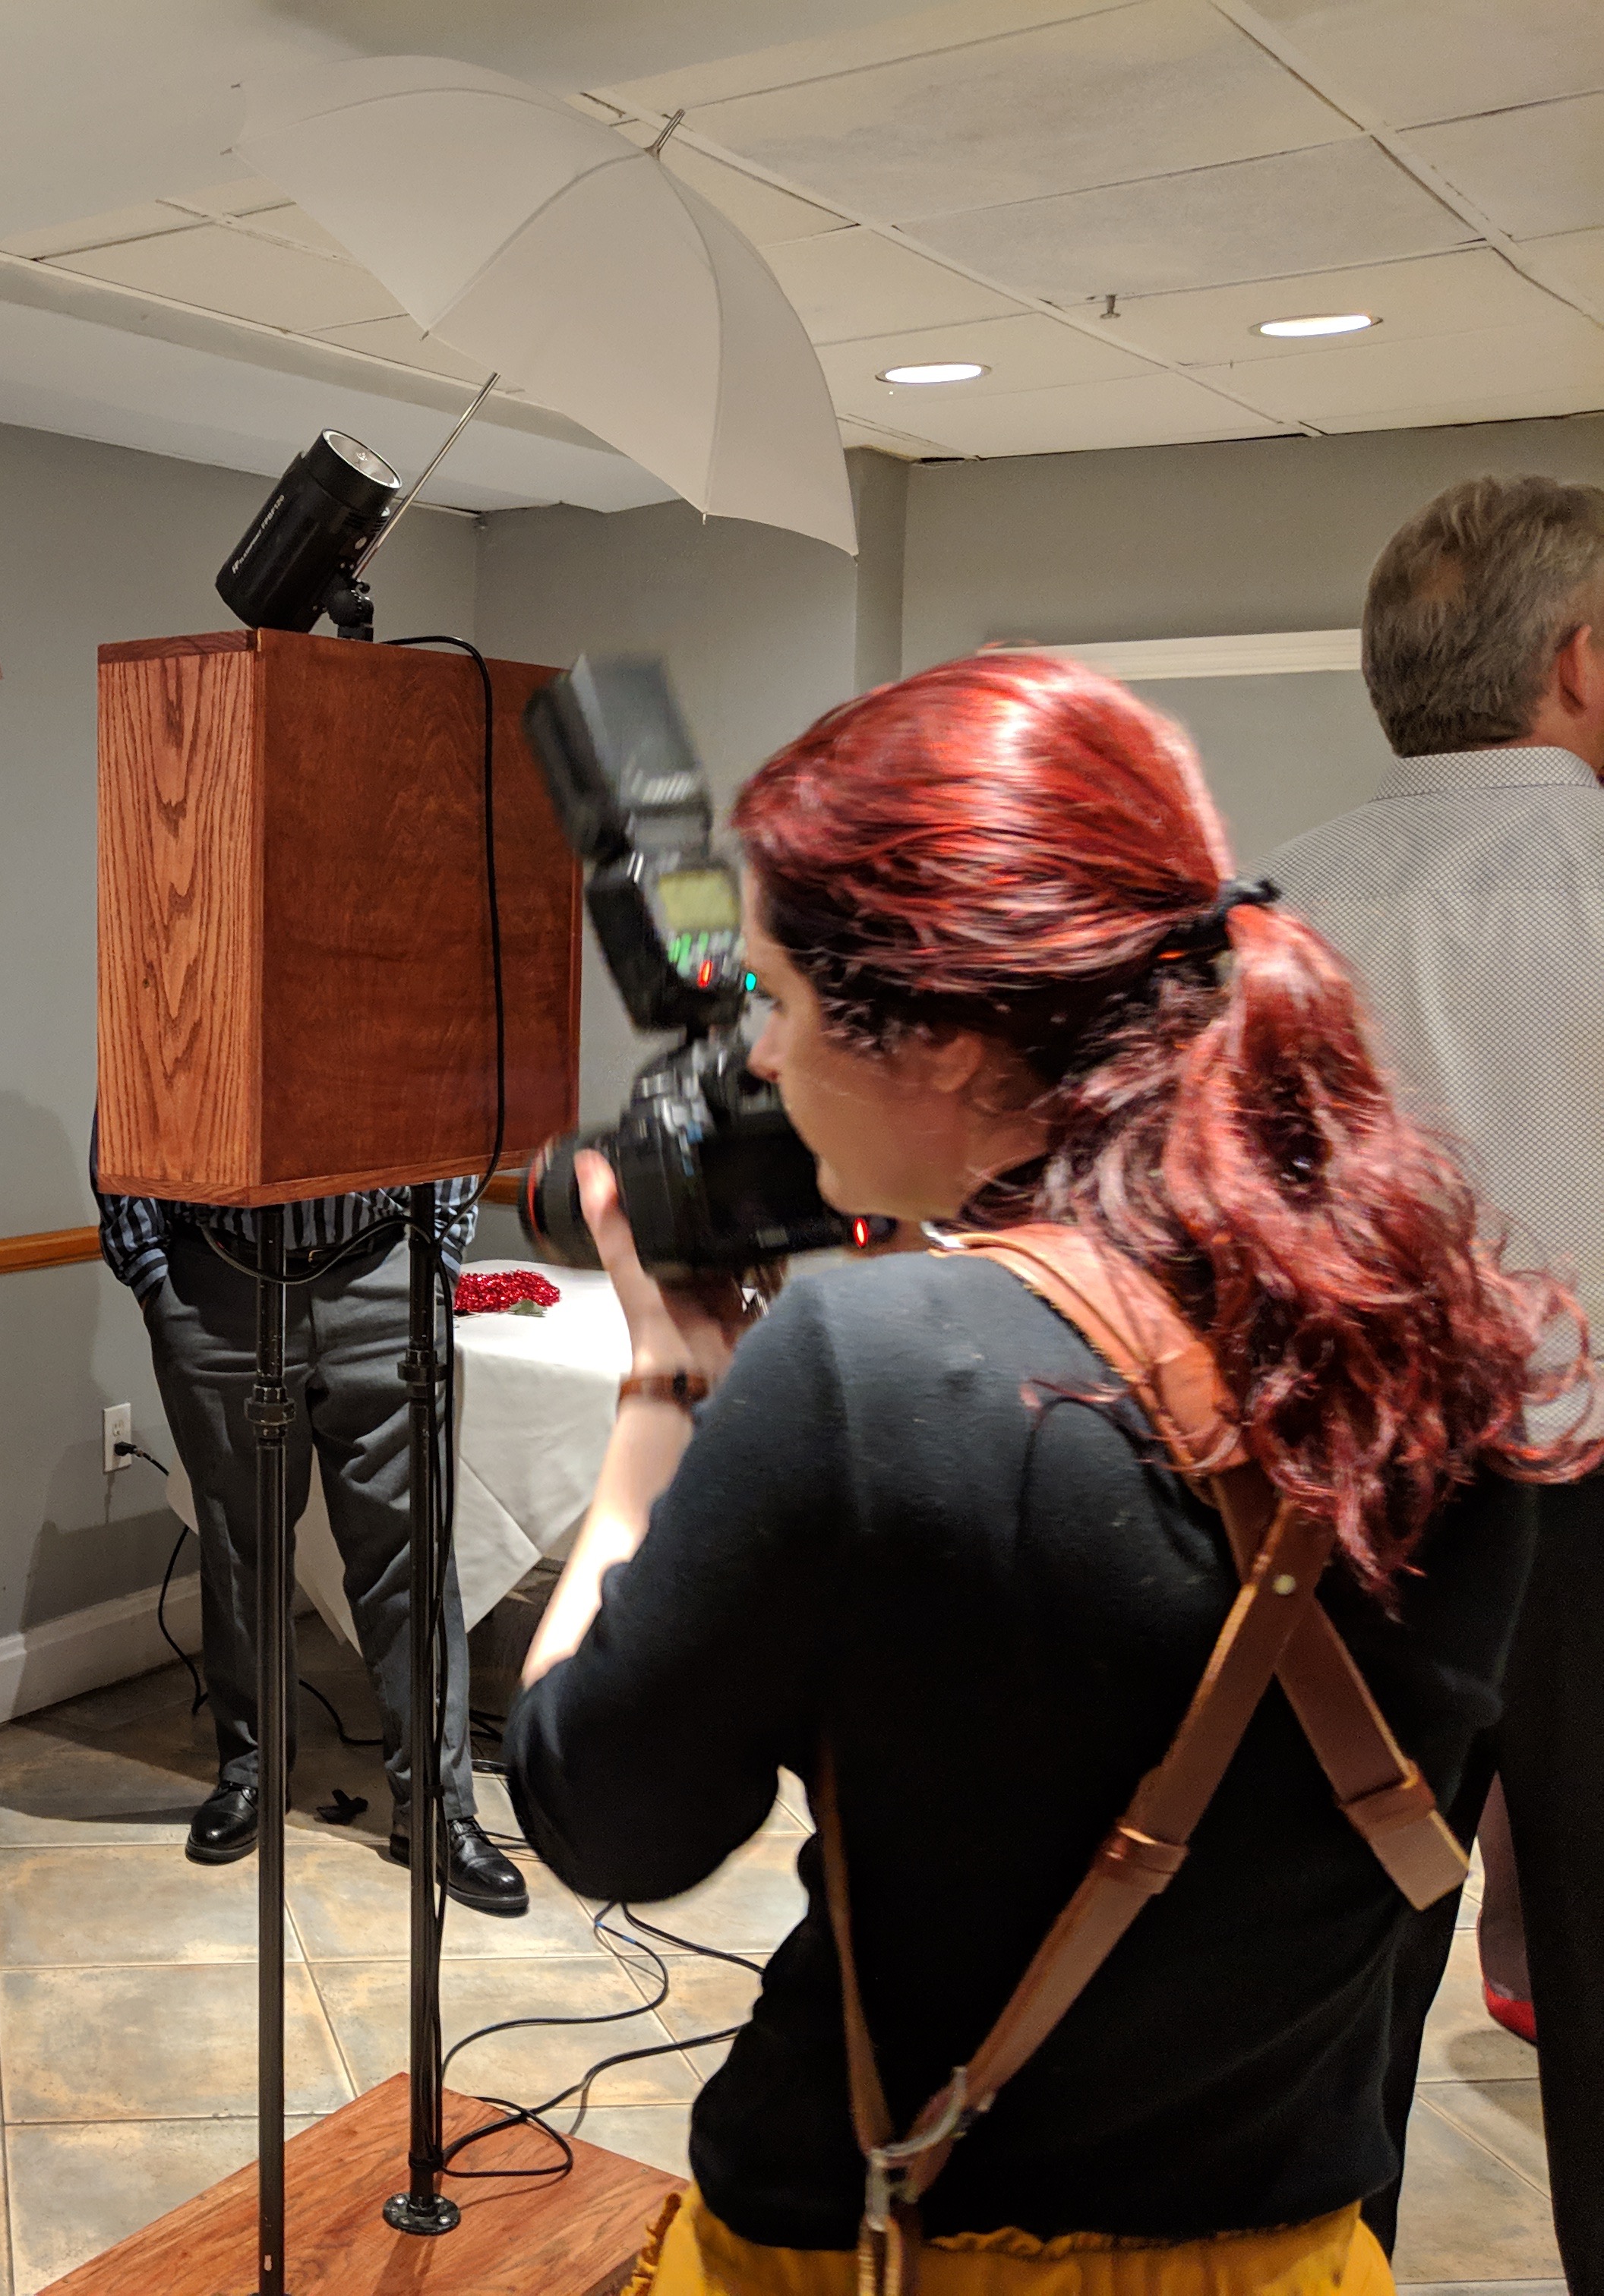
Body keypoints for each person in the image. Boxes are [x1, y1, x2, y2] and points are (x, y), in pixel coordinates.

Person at [505, 653, 1589, 2284]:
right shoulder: (1453, 1342)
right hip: (1292, 2261)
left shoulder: (869, 1372)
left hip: (889, 2256)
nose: (766, 1067)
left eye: (784, 1005)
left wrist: (669, 1389)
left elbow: (605, 1814)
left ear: (939, 1043)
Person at [1259, 473, 1604, 2280]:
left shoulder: (1262, 910)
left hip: (1330, 1514)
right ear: (1586, 664)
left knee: (1332, 1996)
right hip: (1598, 1517)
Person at [93, 1163, 524, 1912]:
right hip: (218, 1285)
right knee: (239, 1546)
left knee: (410, 1554)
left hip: (382, 1273)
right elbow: (132, 1114)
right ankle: (250, 1773)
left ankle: (437, 1809)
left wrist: (434, 1261)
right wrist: (157, 1280)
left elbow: (446, 1101)